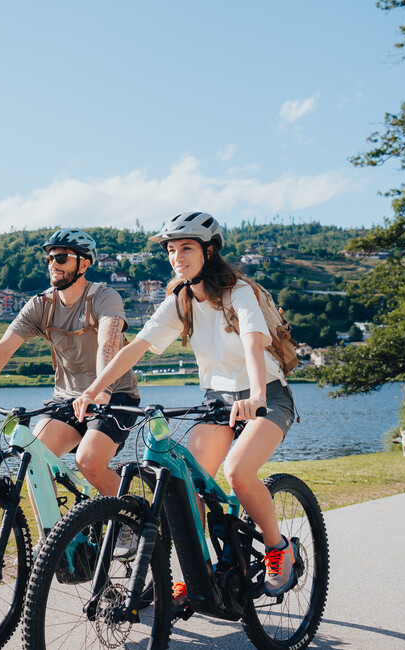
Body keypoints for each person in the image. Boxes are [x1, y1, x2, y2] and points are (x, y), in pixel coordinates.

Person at [73, 211, 299, 599]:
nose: (178, 256)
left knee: (239, 471)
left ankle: (279, 549)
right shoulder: (180, 301)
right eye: (172, 250)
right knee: (186, 486)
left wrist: (257, 396)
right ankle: (201, 574)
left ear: (209, 251)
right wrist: (94, 390)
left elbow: (251, 342)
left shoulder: (237, 292)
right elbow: (137, 348)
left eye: (187, 248)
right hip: (216, 402)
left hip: (267, 394)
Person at [0, 228, 142, 500]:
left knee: (88, 462)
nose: (53, 264)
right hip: (66, 399)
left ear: (84, 263)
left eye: (62, 257)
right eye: (49, 259)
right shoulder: (41, 305)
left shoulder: (105, 297)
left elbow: (108, 344)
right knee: (32, 460)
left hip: (114, 396)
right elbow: (3, 348)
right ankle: (58, 540)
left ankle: (132, 519)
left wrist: (101, 391)